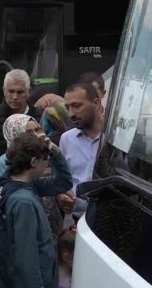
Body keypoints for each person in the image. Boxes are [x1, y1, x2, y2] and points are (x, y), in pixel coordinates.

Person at [0, 132, 72, 288]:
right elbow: (26, 258)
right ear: (34, 162)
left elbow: (64, 182)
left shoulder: (16, 184)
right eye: (45, 159)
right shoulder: (24, 202)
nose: (47, 163)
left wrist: (55, 152)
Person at [0, 69, 42, 179]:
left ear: (28, 92)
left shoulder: (39, 117)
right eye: (11, 91)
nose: (15, 97)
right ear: (4, 91)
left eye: (20, 92)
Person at [59, 83, 103, 219]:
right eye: (67, 107)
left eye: (77, 106)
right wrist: (62, 196)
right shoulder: (66, 139)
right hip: (76, 218)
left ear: (96, 103)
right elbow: (62, 179)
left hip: (108, 218)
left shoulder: (116, 139)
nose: (71, 113)